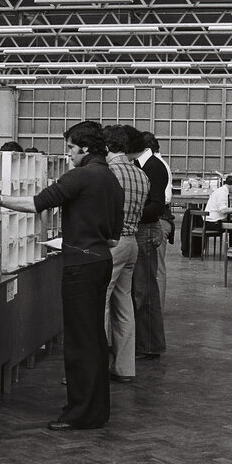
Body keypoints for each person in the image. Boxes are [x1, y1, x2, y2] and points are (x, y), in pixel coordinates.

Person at [0, 121, 123, 430]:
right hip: (100, 262)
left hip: (79, 266)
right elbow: (112, 237)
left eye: (70, 147)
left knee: (79, 341)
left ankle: (79, 414)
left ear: (84, 148)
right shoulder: (111, 179)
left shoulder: (80, 176)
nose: (68, 154)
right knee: (94, 338)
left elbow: (36, 204)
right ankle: (95, 410)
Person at [101, 125, 150, 383]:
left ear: (107, 147)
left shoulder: (108, 173)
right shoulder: (141, 175)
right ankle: (124, 367)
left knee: (99, 304)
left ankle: (94, 367)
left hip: (112, 244)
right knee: (124, 305)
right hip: (132, 243)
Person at [125, 125, 168, 361]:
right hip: (140, 229)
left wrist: (131, 213)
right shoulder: (143, 166)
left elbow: (157, 206)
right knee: (138, 291)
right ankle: (144, 343)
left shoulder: (154, 167)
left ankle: (150, 346)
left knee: (145, 291)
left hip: (146, 230)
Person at [142, 132, 175, 312]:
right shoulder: (156, 163)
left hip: (160, 219)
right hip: (158, 217)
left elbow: (165, 198)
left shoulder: (157, 165)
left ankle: (158, 309)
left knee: (158, 268)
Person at [205, 175, 232, 246]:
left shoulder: (221, 191)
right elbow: (223, 210)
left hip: (213, 221)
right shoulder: (222, 193)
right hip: (214, 223)